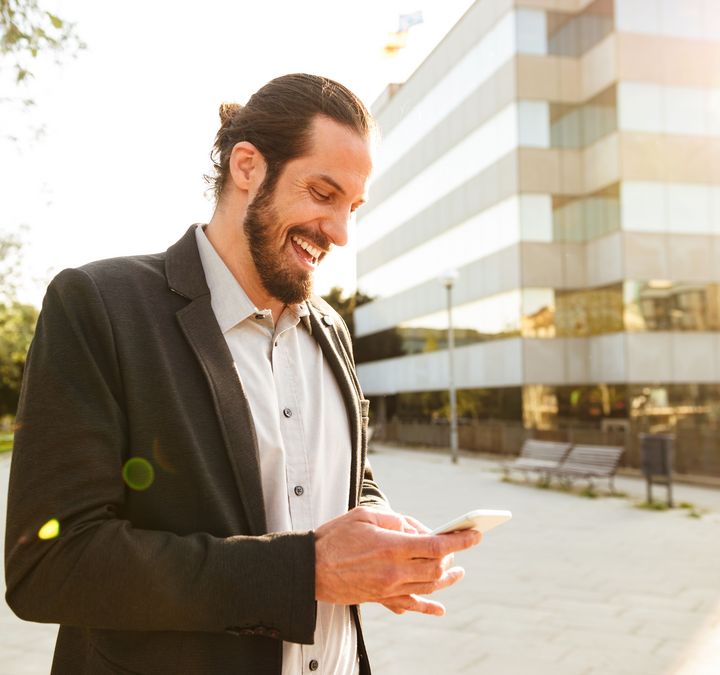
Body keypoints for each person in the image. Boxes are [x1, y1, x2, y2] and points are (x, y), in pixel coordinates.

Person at [4, 73, 480, 675]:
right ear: (247, 167)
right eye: (322, 193)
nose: (340, 232)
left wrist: (379, 534)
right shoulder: (99, 305)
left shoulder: (331, 330)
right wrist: (306, 570)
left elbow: (346, 476)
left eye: (352, 207)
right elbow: (50, 566)